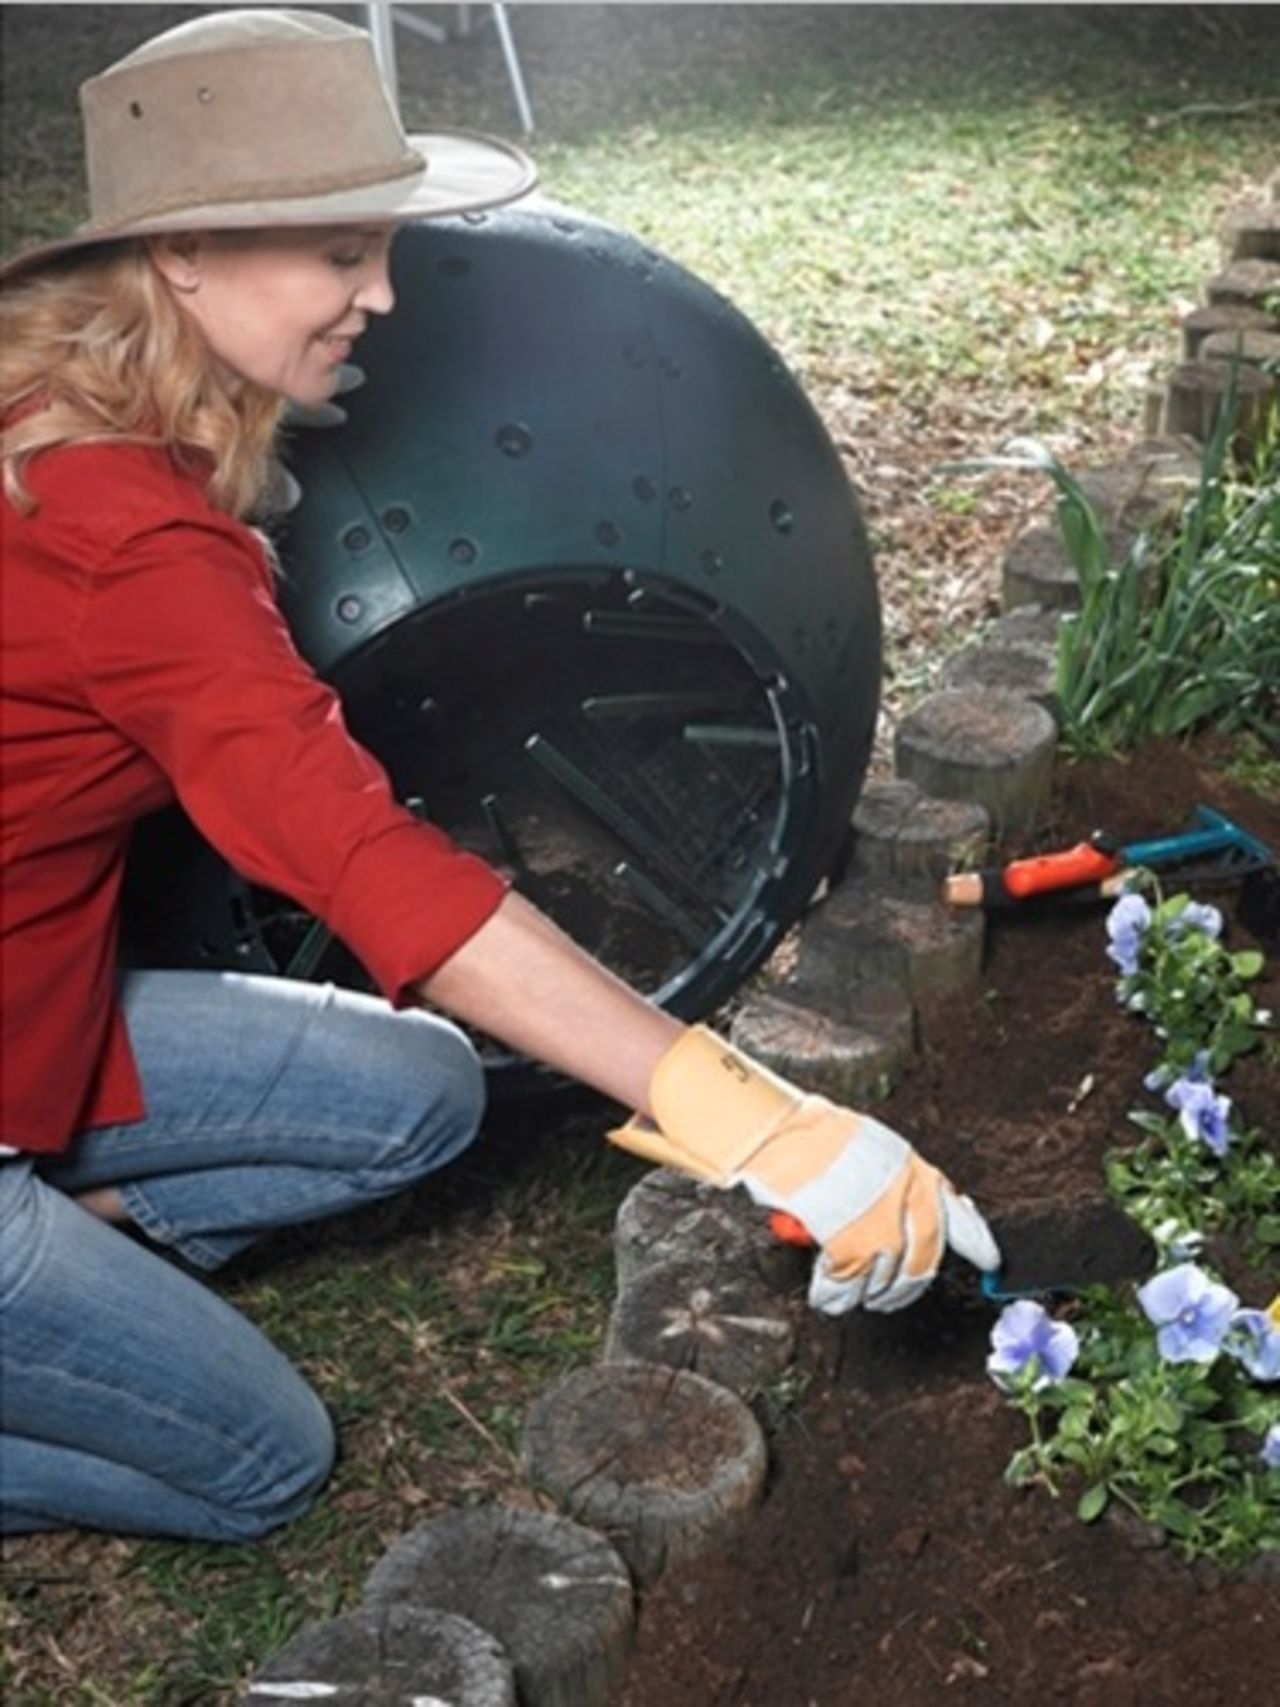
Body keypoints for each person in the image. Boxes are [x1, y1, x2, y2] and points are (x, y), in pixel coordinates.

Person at [0, 9, 999, 1543]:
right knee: (261, 1463)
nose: (384, 293)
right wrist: (764, 1125)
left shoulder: (73, 424)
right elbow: (365, 863)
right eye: (341, 251)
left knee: (419, 1087)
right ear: (186, 254)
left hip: (35, 1008)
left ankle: (66, 1240)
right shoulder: (129, 540)